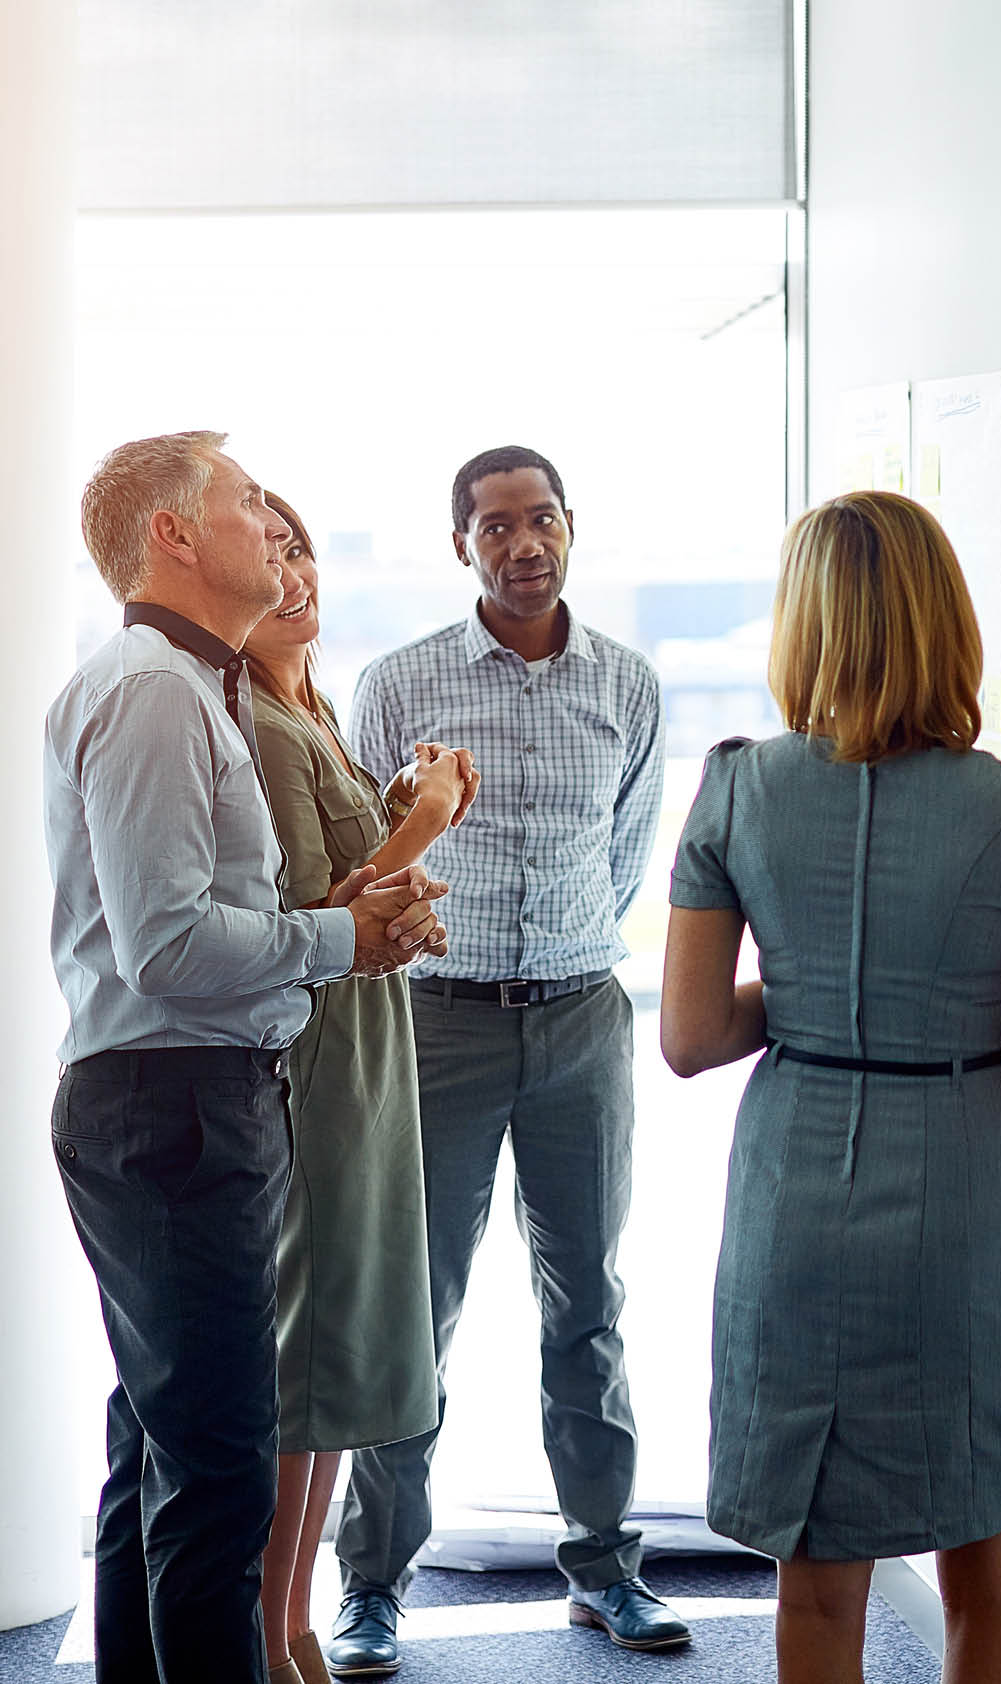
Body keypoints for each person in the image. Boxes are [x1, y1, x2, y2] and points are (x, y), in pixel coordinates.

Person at [660, 490, 1001, 1684]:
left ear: (799, 626)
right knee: (988, 1587)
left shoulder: (736, 790)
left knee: (812, 1599)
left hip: (792, 1199)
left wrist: (810, 1001)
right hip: (956, 1210)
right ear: (944, 620)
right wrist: (970, 1000)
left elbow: (692, 1036)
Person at [45, 432, 447, 1684]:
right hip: (174, 1104)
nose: (274, 528)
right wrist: (345, 932)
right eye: (244, 506)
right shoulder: (160, 688)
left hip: (179, 1098)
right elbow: (166, 947)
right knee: (217, 1477)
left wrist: (343, 934)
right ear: (172, 535)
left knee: (164, 1452)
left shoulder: (190, 682)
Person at [325, 444, 688, 1676]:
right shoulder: (399, 684)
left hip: (583, 1015)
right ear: (461, 546)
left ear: (570, 528)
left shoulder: (629, 686)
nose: (523, 543)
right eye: (496, 527)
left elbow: (625, 853)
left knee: (585, 1301)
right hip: (441, 1024)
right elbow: (370, 858)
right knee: (409, 1306)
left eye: (541, 520)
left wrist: (567, 952)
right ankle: (372, 1583)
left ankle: (602, 1565)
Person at [243, 493, 478, 1684]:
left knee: (339, 1361)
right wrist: (421, 824)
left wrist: (404, 831)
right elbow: (307, 915)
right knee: (309, 1355)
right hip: (321, 1053)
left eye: (303, 551)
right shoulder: (252, 720)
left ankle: (291, 1625)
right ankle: (273, 1633)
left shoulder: (310, 710)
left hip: (368, 1044)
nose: (292, 574)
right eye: (268, 550)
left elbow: (354, 884)